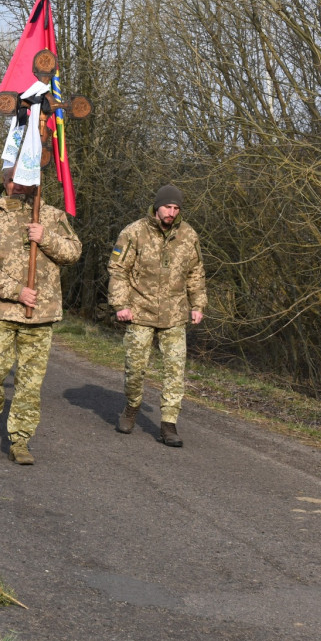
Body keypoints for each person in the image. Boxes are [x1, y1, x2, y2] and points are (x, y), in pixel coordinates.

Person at [0, 167, 82, 464]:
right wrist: (15, 291)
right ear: (3, 182)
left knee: (30, 384)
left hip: (40, 314)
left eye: (23, 180)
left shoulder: (52, 216)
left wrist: (46, 238)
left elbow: (73, 252)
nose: (17, 185)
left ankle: (20, 439)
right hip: (2, 310)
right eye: (11, 180)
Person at [108, 184, 207, 447]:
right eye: (167, 207)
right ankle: (131, 407)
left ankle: (169, 424)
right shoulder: (134, 232)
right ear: (157, 207)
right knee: (135, 369)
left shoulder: (188, 235)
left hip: (175, 313)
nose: (171, 213)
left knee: (175, 370)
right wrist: (120, 305)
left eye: (176, 208)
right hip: (139, 311)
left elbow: (196, 273)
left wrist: (198, 305)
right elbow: (117, 269)